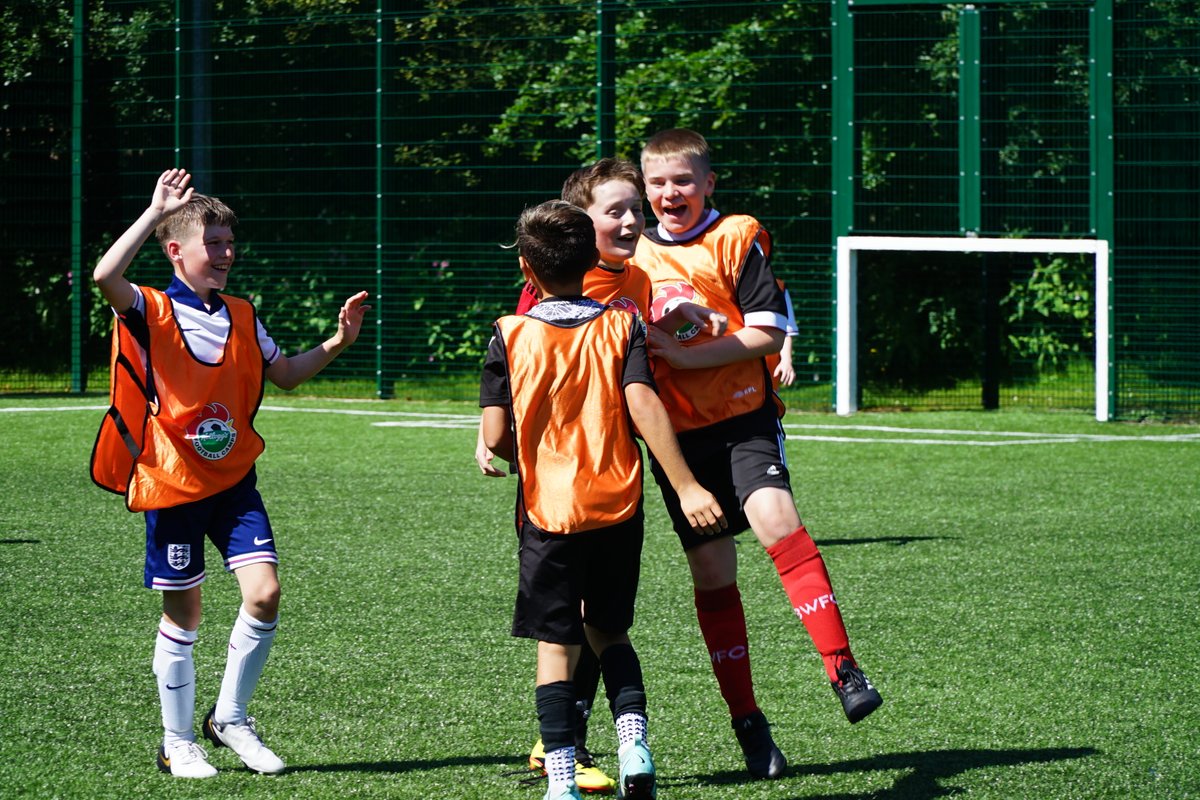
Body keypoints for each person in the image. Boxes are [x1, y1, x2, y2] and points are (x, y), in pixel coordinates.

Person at [90, 168, 370, 778]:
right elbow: (104, 276)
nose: (225, 254)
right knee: (183, 615)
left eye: (228, 243)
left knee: (264, 594)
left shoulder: (241, 313)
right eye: (211, 243)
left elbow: (286, 374)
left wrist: (339, 341)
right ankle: (176, 740)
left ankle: (231, 719)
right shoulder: (151, 308)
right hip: (173, 485)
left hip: (235, 483)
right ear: (176, 251)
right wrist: (154, 209)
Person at [631, 129, 883, 781]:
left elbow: (767, 330)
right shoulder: (628, 257)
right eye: (656, 182)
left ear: (708, 183)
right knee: (714, 575)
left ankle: (844, 670)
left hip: (743, 419)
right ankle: (748, 722)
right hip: (678, 442)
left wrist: (688, 352)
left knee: (778, 520)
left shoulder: (739, 236)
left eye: (682, 180)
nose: (668, 193)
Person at [475, 159, 726, 794]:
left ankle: (560, 776)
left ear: (527, 270)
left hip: (548, 512)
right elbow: (644, 405)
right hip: (618, 502)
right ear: (590, 255)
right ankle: (635, 749)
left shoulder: (509, 333)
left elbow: (499, 435)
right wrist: (690, 485)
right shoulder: (622, 324)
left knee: (556, 646)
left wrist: (496, 445)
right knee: (609, 629)